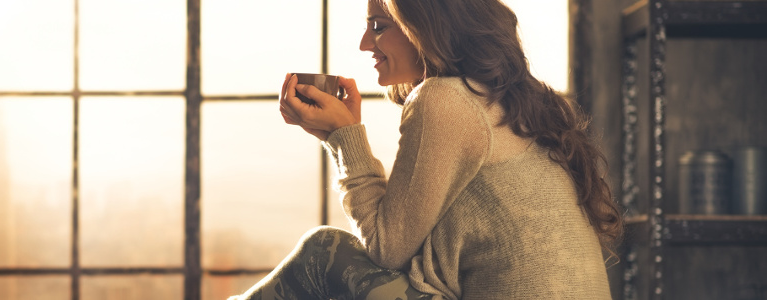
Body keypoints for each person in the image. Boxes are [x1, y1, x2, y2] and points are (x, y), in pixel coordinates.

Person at [230, 0, 623, 299]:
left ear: (424, 26)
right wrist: (336, 135)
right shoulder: (507, 99)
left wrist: (345, 138)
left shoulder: (444, 99)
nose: (365, 43)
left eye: (378, 27)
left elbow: (387, 248)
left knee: (321, 250)